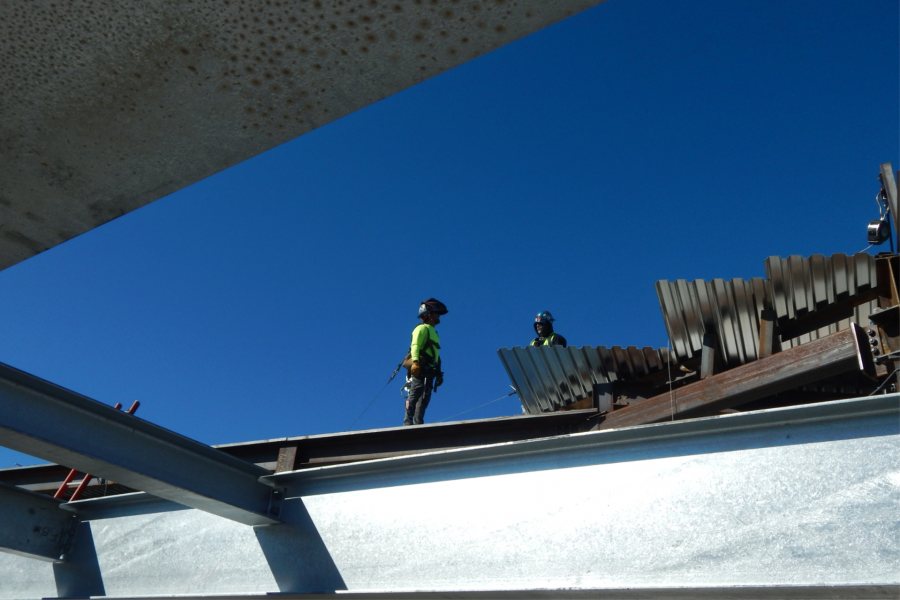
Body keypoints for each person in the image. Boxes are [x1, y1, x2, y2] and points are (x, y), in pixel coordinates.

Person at [403, 298, 447, 425]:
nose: (438, 316)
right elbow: (415, 345)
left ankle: (418, 422)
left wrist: (439, 373)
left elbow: (436, 354)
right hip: (421, 366)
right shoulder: (421, 329)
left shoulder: (434, 332)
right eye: (436, 313)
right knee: (416, 392)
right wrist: (415, 362)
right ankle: (407, 421)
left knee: (425, 397)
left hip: (430, 369)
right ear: (428, 315)